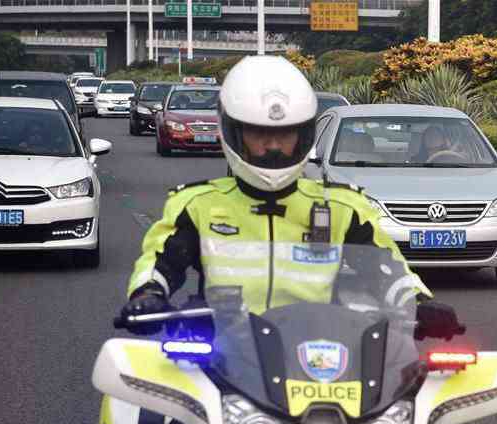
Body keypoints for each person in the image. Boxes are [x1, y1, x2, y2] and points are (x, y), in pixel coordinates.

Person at [121, 55, 461, 338]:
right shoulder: (197, 205)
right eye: (259, 134)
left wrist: (418, 302)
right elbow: (159, 263)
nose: (272, 146)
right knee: (157, 406)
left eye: (284, 135)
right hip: (221, 348)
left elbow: (387, 270)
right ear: (233, 131)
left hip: (318, 354)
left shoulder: (343, 208)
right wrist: (148, 294)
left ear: (303, 135)